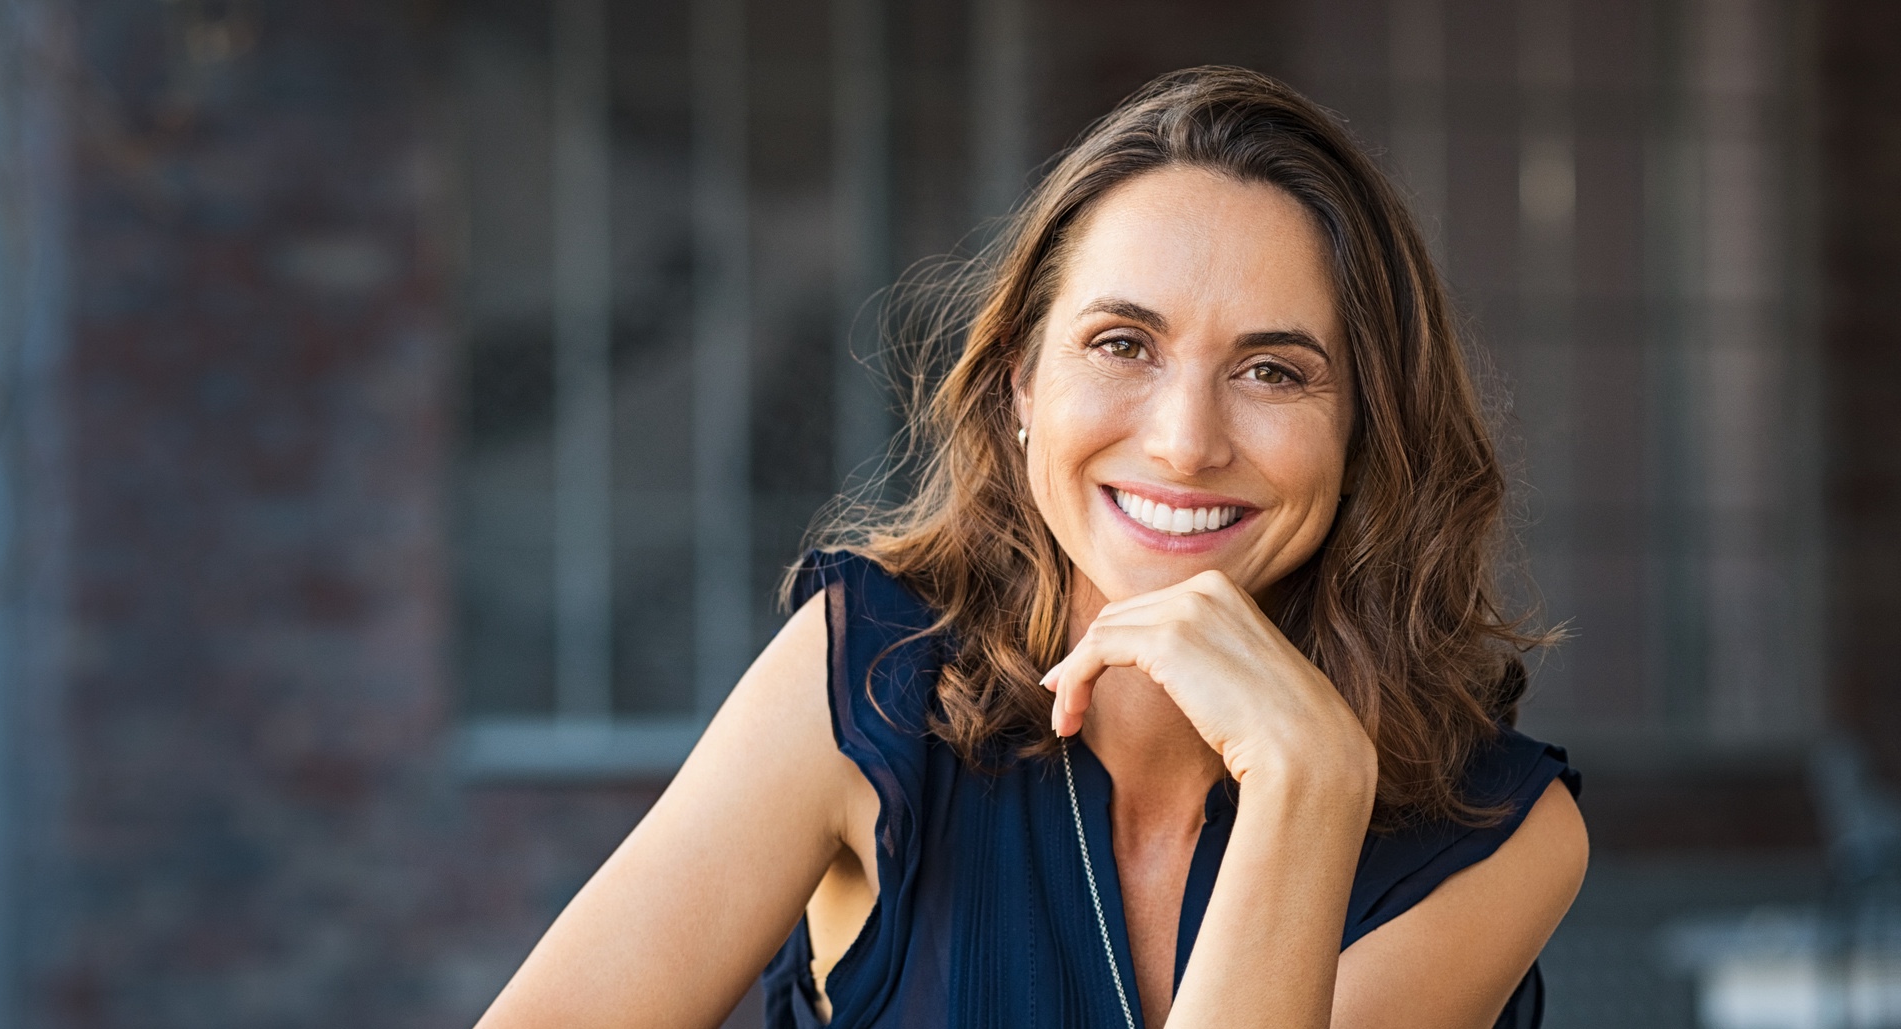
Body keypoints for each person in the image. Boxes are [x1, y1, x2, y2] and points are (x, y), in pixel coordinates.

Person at [475, 66, 1588, 1029]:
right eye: (1120, 344)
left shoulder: (1498, 830)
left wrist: (1307, 785)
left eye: (1272, 371)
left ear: (1364, 429)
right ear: (1019, 384)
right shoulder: (866, 677)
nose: (1184, 442)